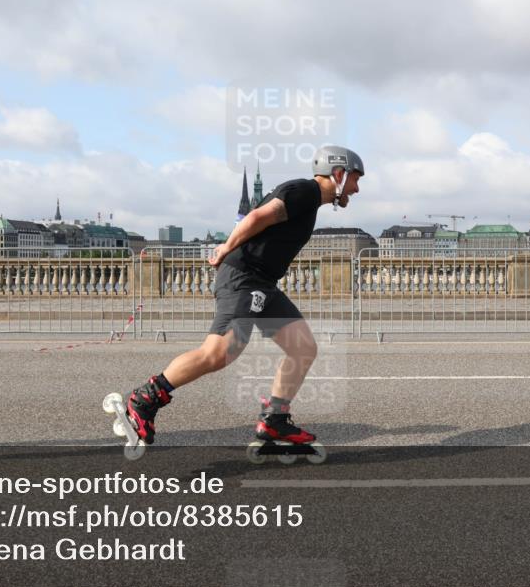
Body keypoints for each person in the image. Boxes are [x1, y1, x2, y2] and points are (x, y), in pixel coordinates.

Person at [123, 145, 363, 446]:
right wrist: (226, 247)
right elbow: (255, 218)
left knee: (303, 347)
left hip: (263, 283)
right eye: (355, 178)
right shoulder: (303, 191)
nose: (356, 188)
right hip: (244, 278)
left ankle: (274, 421)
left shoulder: (310, 202)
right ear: (338, 173)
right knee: (219, 352)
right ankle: (145, 398)